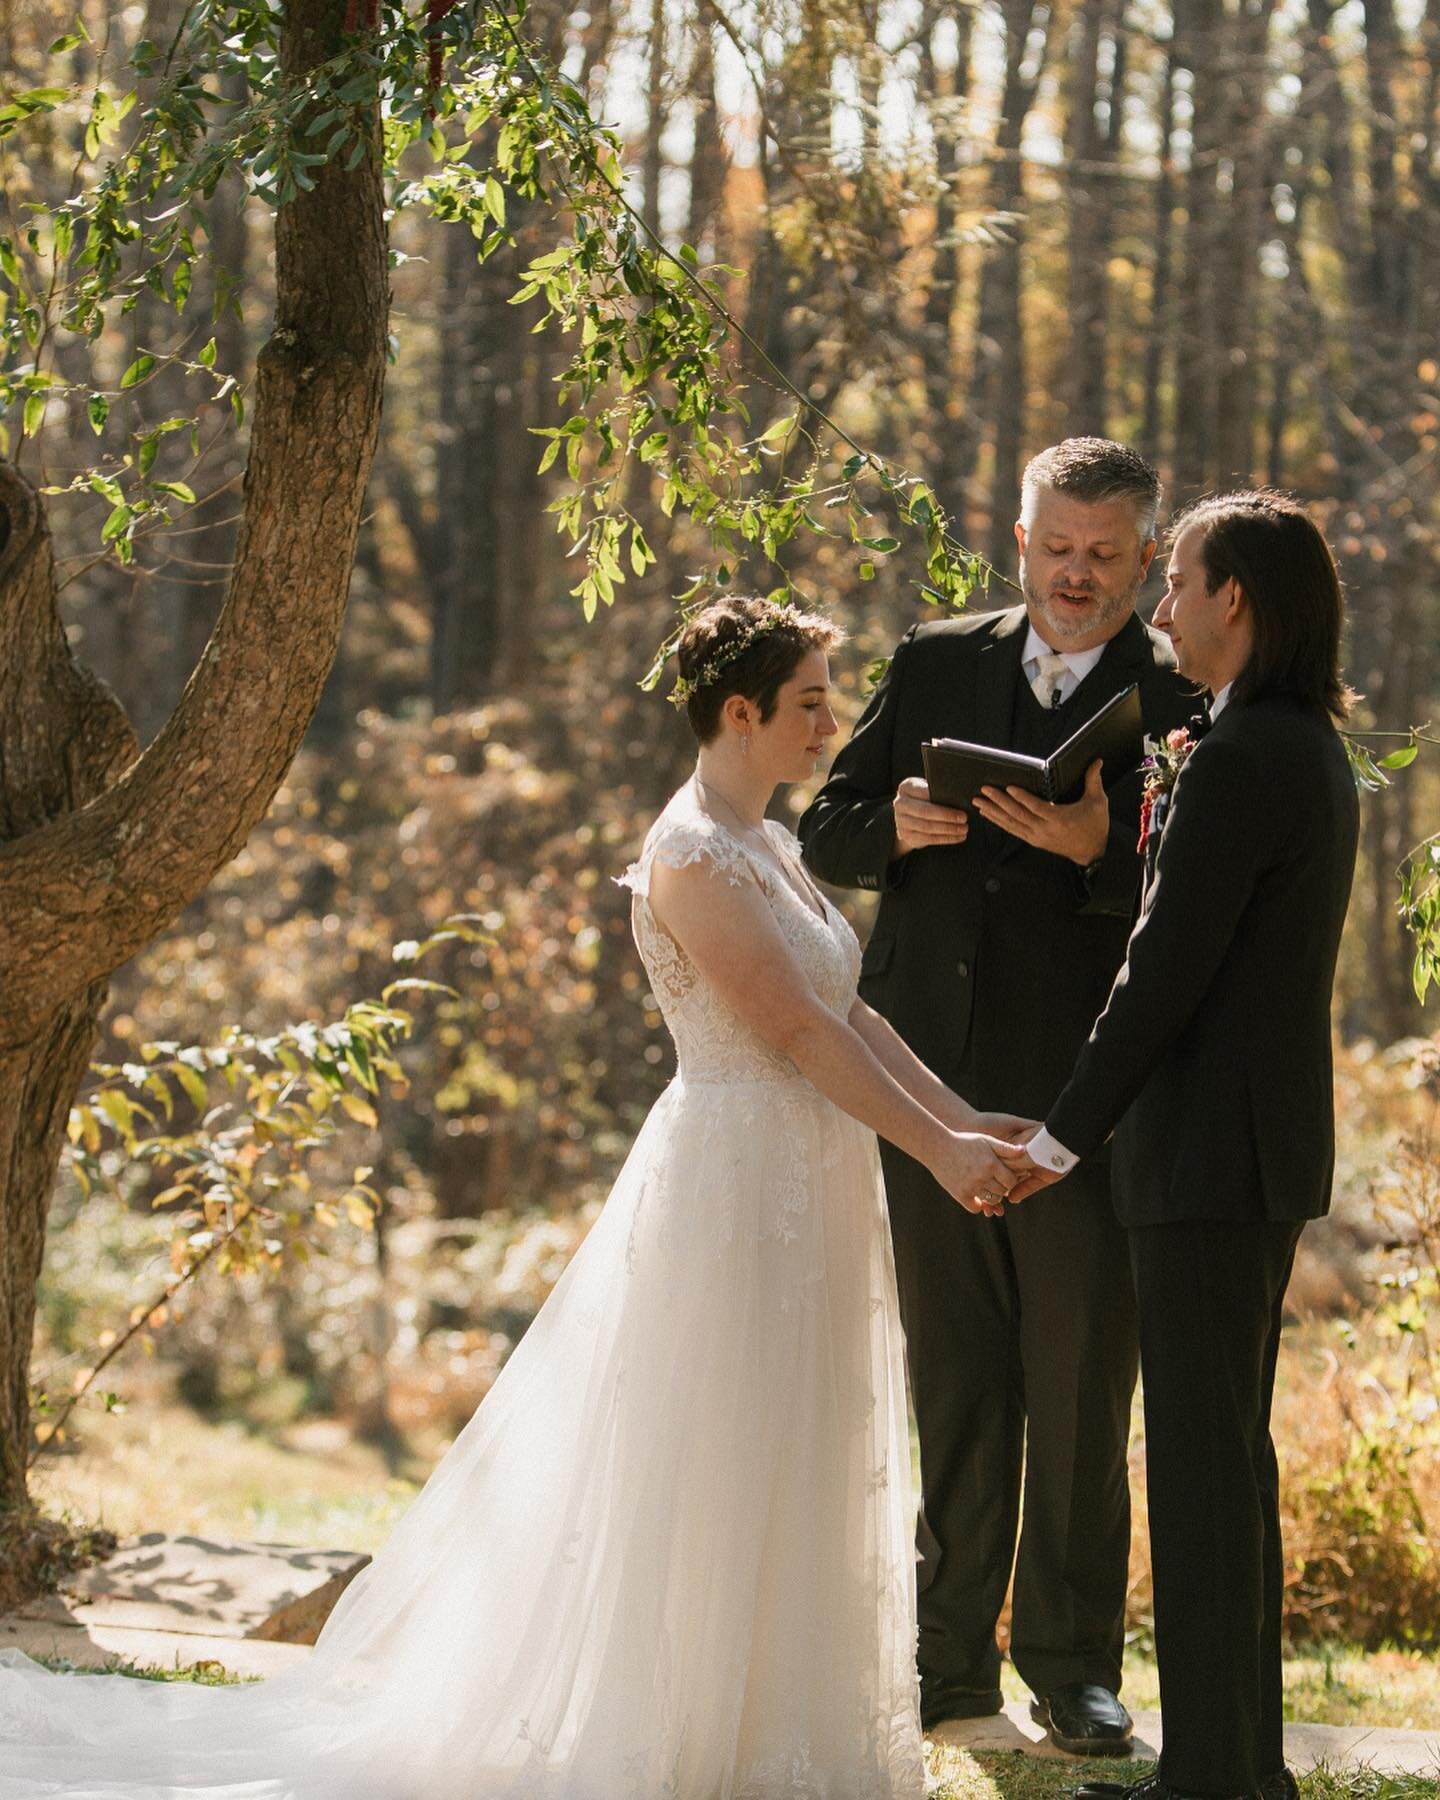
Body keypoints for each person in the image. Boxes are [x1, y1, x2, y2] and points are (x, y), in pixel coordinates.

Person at [0, 595, 1031, 1800]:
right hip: (736, 1180)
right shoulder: (690, 853)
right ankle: (673, 1732)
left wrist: (963, 1119)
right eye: (810, 703)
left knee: (797, 1436)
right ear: (741, 712)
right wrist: (940, 1156)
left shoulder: (774, 843)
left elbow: (851, 1010)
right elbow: (796, 1032)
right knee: (715, 1447)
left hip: (813, 1177)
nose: (830, 723)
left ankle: (767, 1732)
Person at [799, 438, 1198, 1753]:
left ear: (1146, 558)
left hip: (1093, 1097)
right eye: (1054, 549)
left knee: (1082, 1389)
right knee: (958, 1378)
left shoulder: (1182, 691)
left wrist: (1103, 853)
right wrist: (895, 826)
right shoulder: (933, 659)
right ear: (1017, 540)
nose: (1075, 577)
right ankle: (945, 1659)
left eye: (1104, 556)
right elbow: (825, 825)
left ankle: (1073, 1670)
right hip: (932, 1082)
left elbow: (1208, 909)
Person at [1015, 493, 1360, 1800]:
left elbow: (1162, 974)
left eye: (1179, 585)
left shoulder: (1243, 756)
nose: (1156, 610)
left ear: (1239, 603)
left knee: (1209, 1478)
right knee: (1227, 1467)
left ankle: (1214, 1779)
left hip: (1209, 1162)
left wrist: (1060, 1133)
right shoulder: (1294, 746)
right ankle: (1236, 1770)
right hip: (1246, 1161)